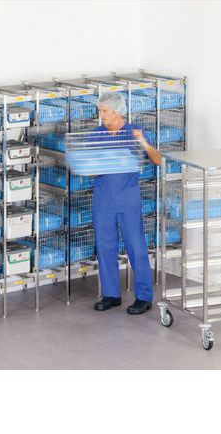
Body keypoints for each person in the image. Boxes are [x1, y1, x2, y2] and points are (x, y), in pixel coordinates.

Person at [92, 92, 162, 314]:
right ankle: (111, 294)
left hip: (127, 199)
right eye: (100, 111)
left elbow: (158, 160)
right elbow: (89, 168)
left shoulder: (134, 133)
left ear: (117, 111)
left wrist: (143, 143)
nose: (102, 115)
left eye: (105, 111)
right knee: (105, 247)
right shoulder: (96, 135)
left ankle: (144, 296)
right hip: (103, 199)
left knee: (136, 247)